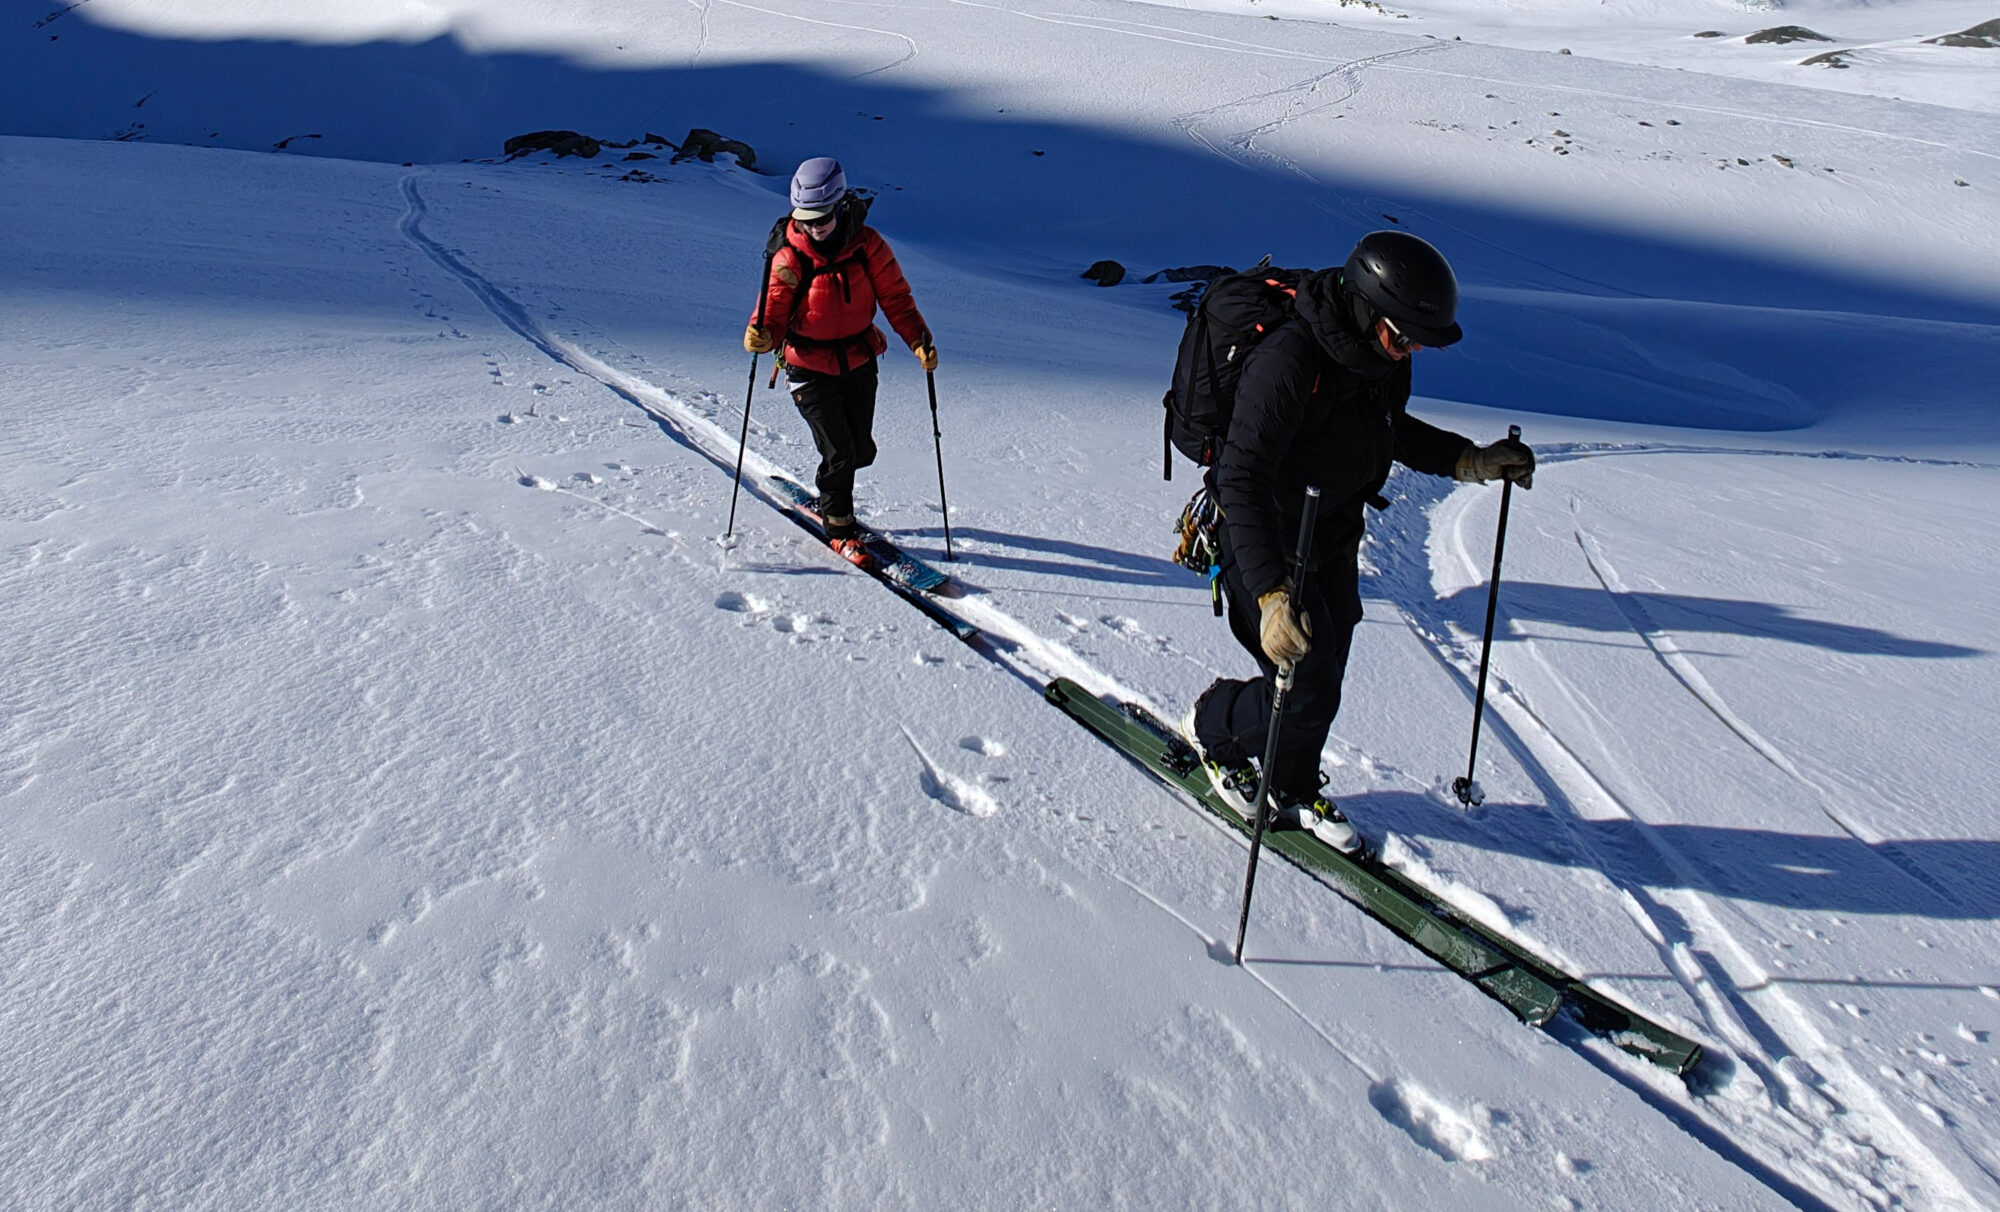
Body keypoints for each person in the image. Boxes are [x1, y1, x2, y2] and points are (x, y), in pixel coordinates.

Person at [1180, 230, 1534, 853]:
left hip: (1333, 535)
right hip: (1263, 537)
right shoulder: (1290, 359)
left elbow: (1387, 428)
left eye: (1419, 341)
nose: (1410, 350)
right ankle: (1213, 724)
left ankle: (1289, 784)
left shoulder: (1378, 355)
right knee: (1301, 688)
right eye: (1404, 336)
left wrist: (1469, 460)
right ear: (1370, 309)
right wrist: (1268, 594)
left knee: (1325, 679)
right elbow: (1242, 476)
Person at [745, 157, 937, 566]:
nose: (815, 227)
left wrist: (918, 341)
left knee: (861, 450)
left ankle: (832, 494)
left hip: (858, 358)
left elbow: (896, 299)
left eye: (822, 218)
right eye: (806, 220)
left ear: (840, 205)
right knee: (840, 452)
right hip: (807, 364)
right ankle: (840, 529)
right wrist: (761, 335)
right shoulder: (789, 257)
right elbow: (773, 310)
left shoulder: (868, 246)